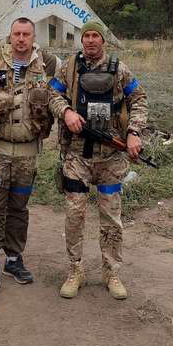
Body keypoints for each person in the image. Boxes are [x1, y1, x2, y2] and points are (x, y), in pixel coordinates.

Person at [48, 20, 148, 300]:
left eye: (95, 36)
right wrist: (66, 111)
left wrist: (134, 133)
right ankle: (75, 269)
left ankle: (110, 271)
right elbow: (51, 94)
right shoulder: (68, 68)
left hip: (111, 157)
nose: (90, 41)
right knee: (74, 214)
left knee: (111, 218)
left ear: (103, 40)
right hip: (77, 155)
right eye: (86, 36)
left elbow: (139, 99)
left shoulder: (120, 69)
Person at [0, 17, 60, 301]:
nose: (21, 39)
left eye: (26, 34)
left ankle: (13, 259)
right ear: (10, 36)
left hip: (27, 153)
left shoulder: (48, 62)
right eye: (16, 34)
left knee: (19, 208)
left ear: (34, 37)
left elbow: (72, 79)